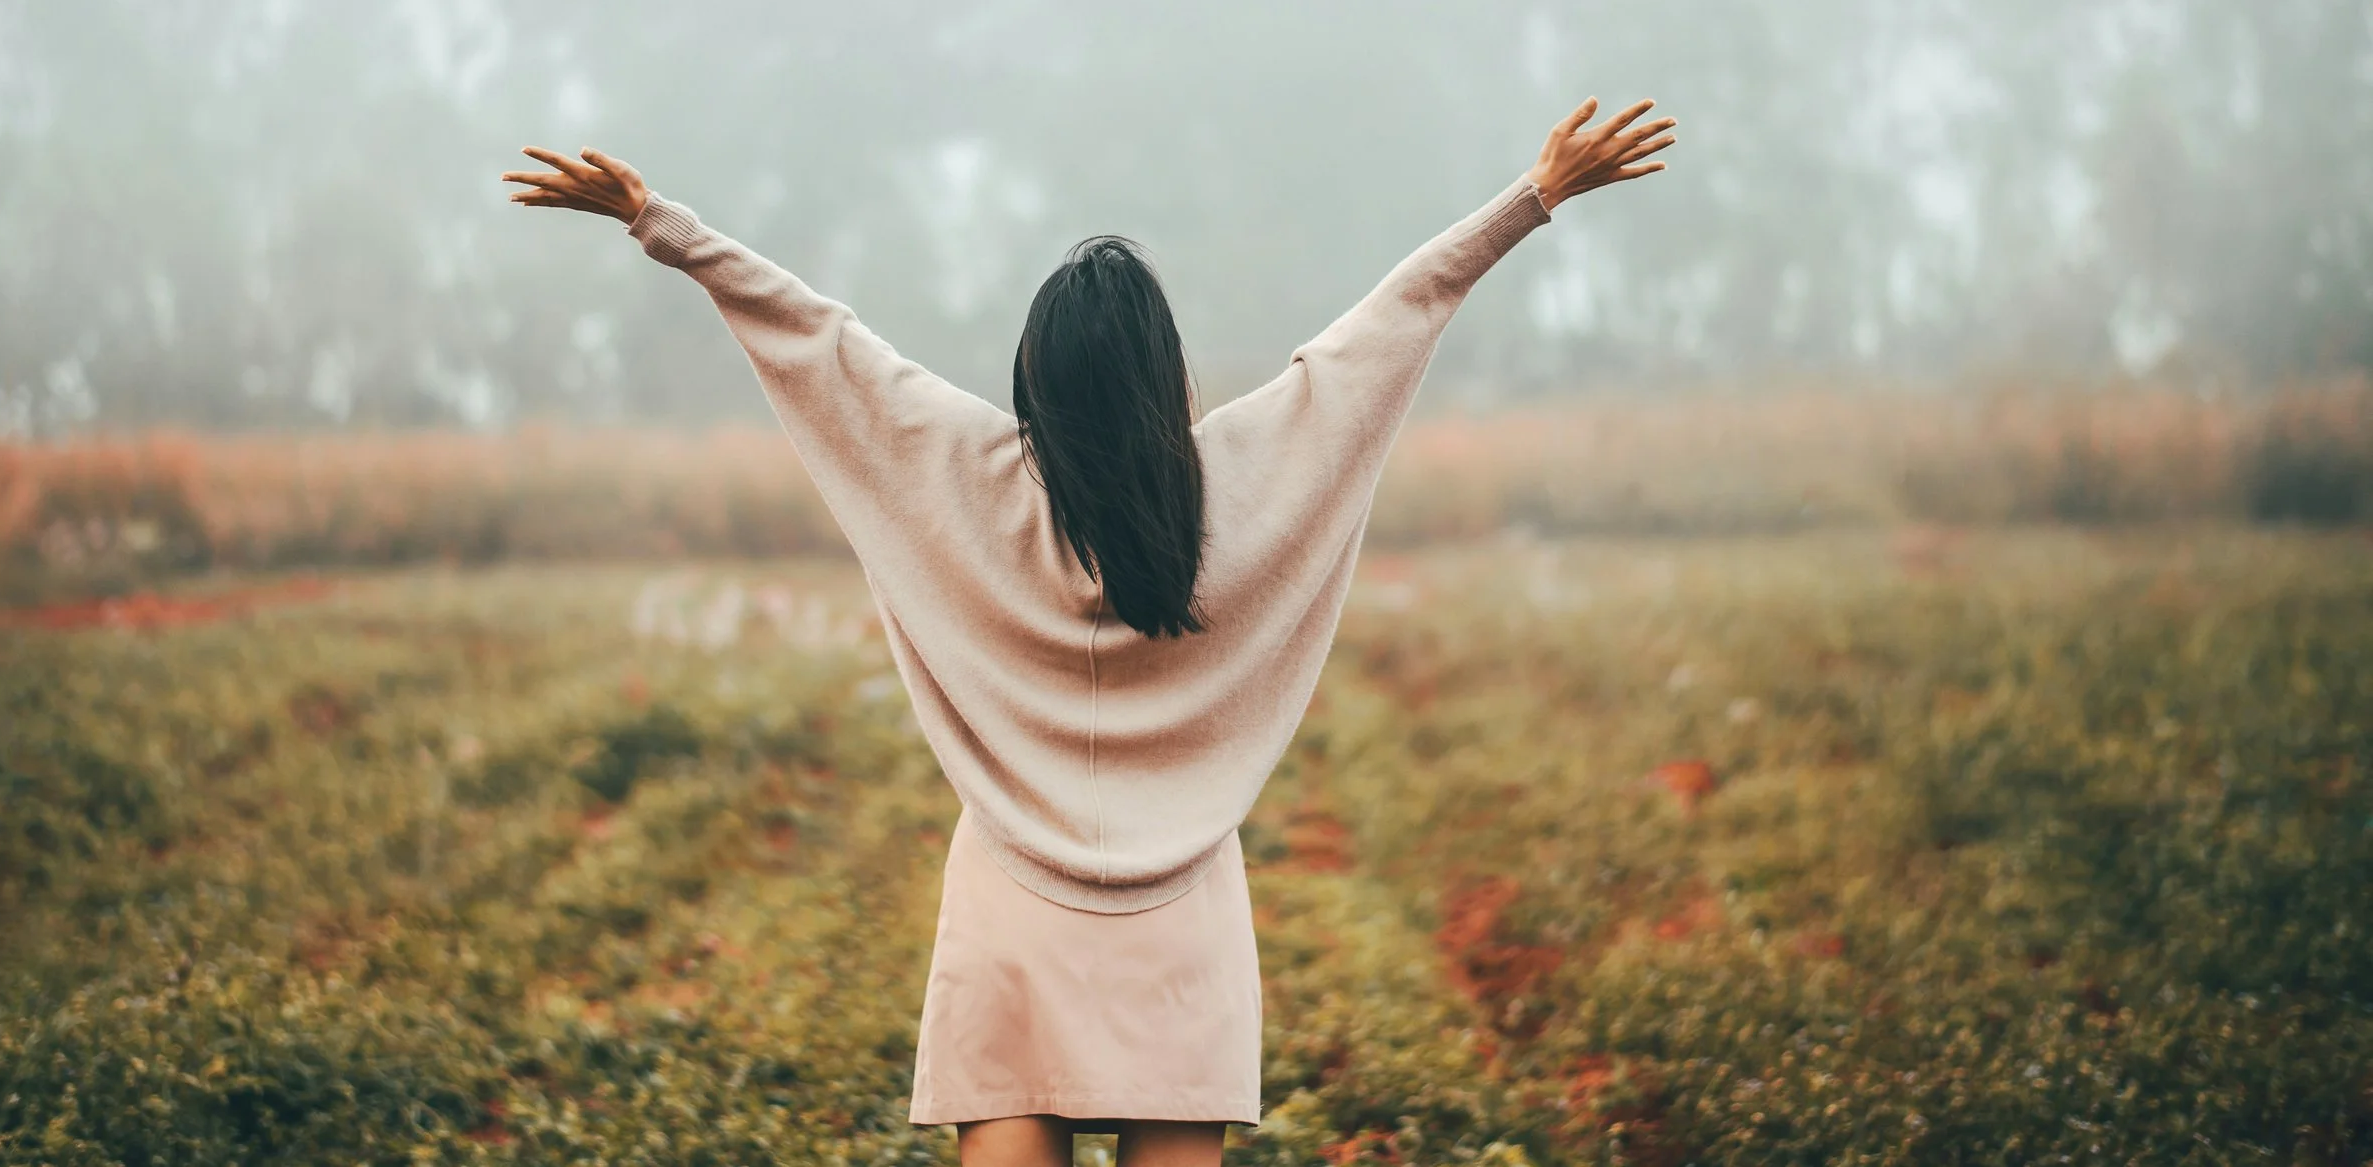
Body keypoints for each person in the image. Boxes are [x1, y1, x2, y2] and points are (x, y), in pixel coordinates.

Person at [502, 97, 1674, 1167]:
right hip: (1184, 921)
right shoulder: (1240, 481)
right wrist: (1533, 198)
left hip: (1012, 903)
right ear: (1167, 375)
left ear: (1035, 382)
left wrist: (658, 221)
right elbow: (1386, 328)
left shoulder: (966, 474)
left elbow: (818, 339)